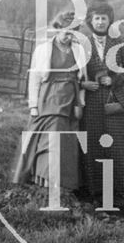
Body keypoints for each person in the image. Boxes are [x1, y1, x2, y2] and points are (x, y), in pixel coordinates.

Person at [11, 11, 87, 195]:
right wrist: (33, 105)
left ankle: (60, 182)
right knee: (48, 137)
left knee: (64, 140)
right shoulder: (43, 49)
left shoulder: (79, 50)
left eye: (73, 33)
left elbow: (83, 79)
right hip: (48, 97)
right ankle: (43, 180)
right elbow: (35, 79)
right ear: (57, 29)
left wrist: (80, 104)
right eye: (66, 32)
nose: (69, 37)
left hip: (69, 99)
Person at [80, 0, 124, 206]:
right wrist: (83, 85)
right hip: (91, 102)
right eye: (96, 18)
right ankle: (94, 194)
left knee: (119, 147)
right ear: (91, 20)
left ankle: (121, 194)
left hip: (115, 102)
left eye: (104, 18)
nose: (100, 22)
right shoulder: (82, 43)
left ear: (109, 20)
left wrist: (114, 80)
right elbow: (72, 71)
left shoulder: (118, 42)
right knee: (93, 146)